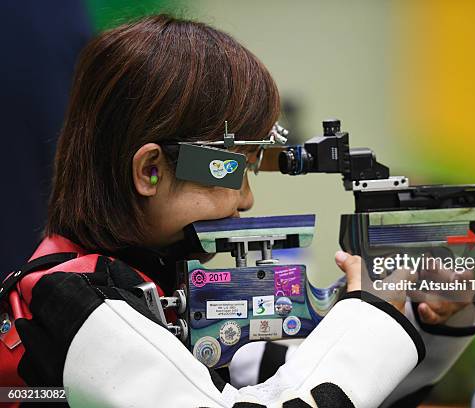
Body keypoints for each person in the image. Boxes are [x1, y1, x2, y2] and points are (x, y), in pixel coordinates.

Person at [0, 15, 427, 408]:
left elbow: (295, 381)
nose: (246, 199)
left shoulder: (142, 288)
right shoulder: (86, 305)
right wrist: (369, 313)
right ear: (151, 171)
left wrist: (422, 318)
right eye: (232, 170)